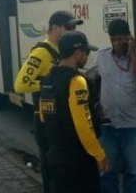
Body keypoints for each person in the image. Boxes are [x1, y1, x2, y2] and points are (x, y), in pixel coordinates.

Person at [13, 10, 83, 193]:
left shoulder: (63, 50)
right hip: (44, 121)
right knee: (51, 170)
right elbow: (20, 85)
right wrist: (48, 85)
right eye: (69, 27)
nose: (72, 30)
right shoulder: (41, 53)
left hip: (60, 120)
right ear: (54, 28)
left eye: (74, 27)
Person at [39, 31, 110, 193]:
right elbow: (83, 125)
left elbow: (44, 117)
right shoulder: (77, 81)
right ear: (77, 53)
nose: (87, 57)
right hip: (77, 161)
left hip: (54, 157)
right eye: (86, 52)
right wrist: (99, 154)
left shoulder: (47, 80)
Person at [96, 19, 136, 193]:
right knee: (107, 171)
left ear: (129, 38)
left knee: (134, 172)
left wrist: (132, 54)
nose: (116, 43)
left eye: (120, 39)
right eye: (113, 39)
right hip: (108, 125)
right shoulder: (102, 56)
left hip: (133, 127)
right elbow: (91, 79)